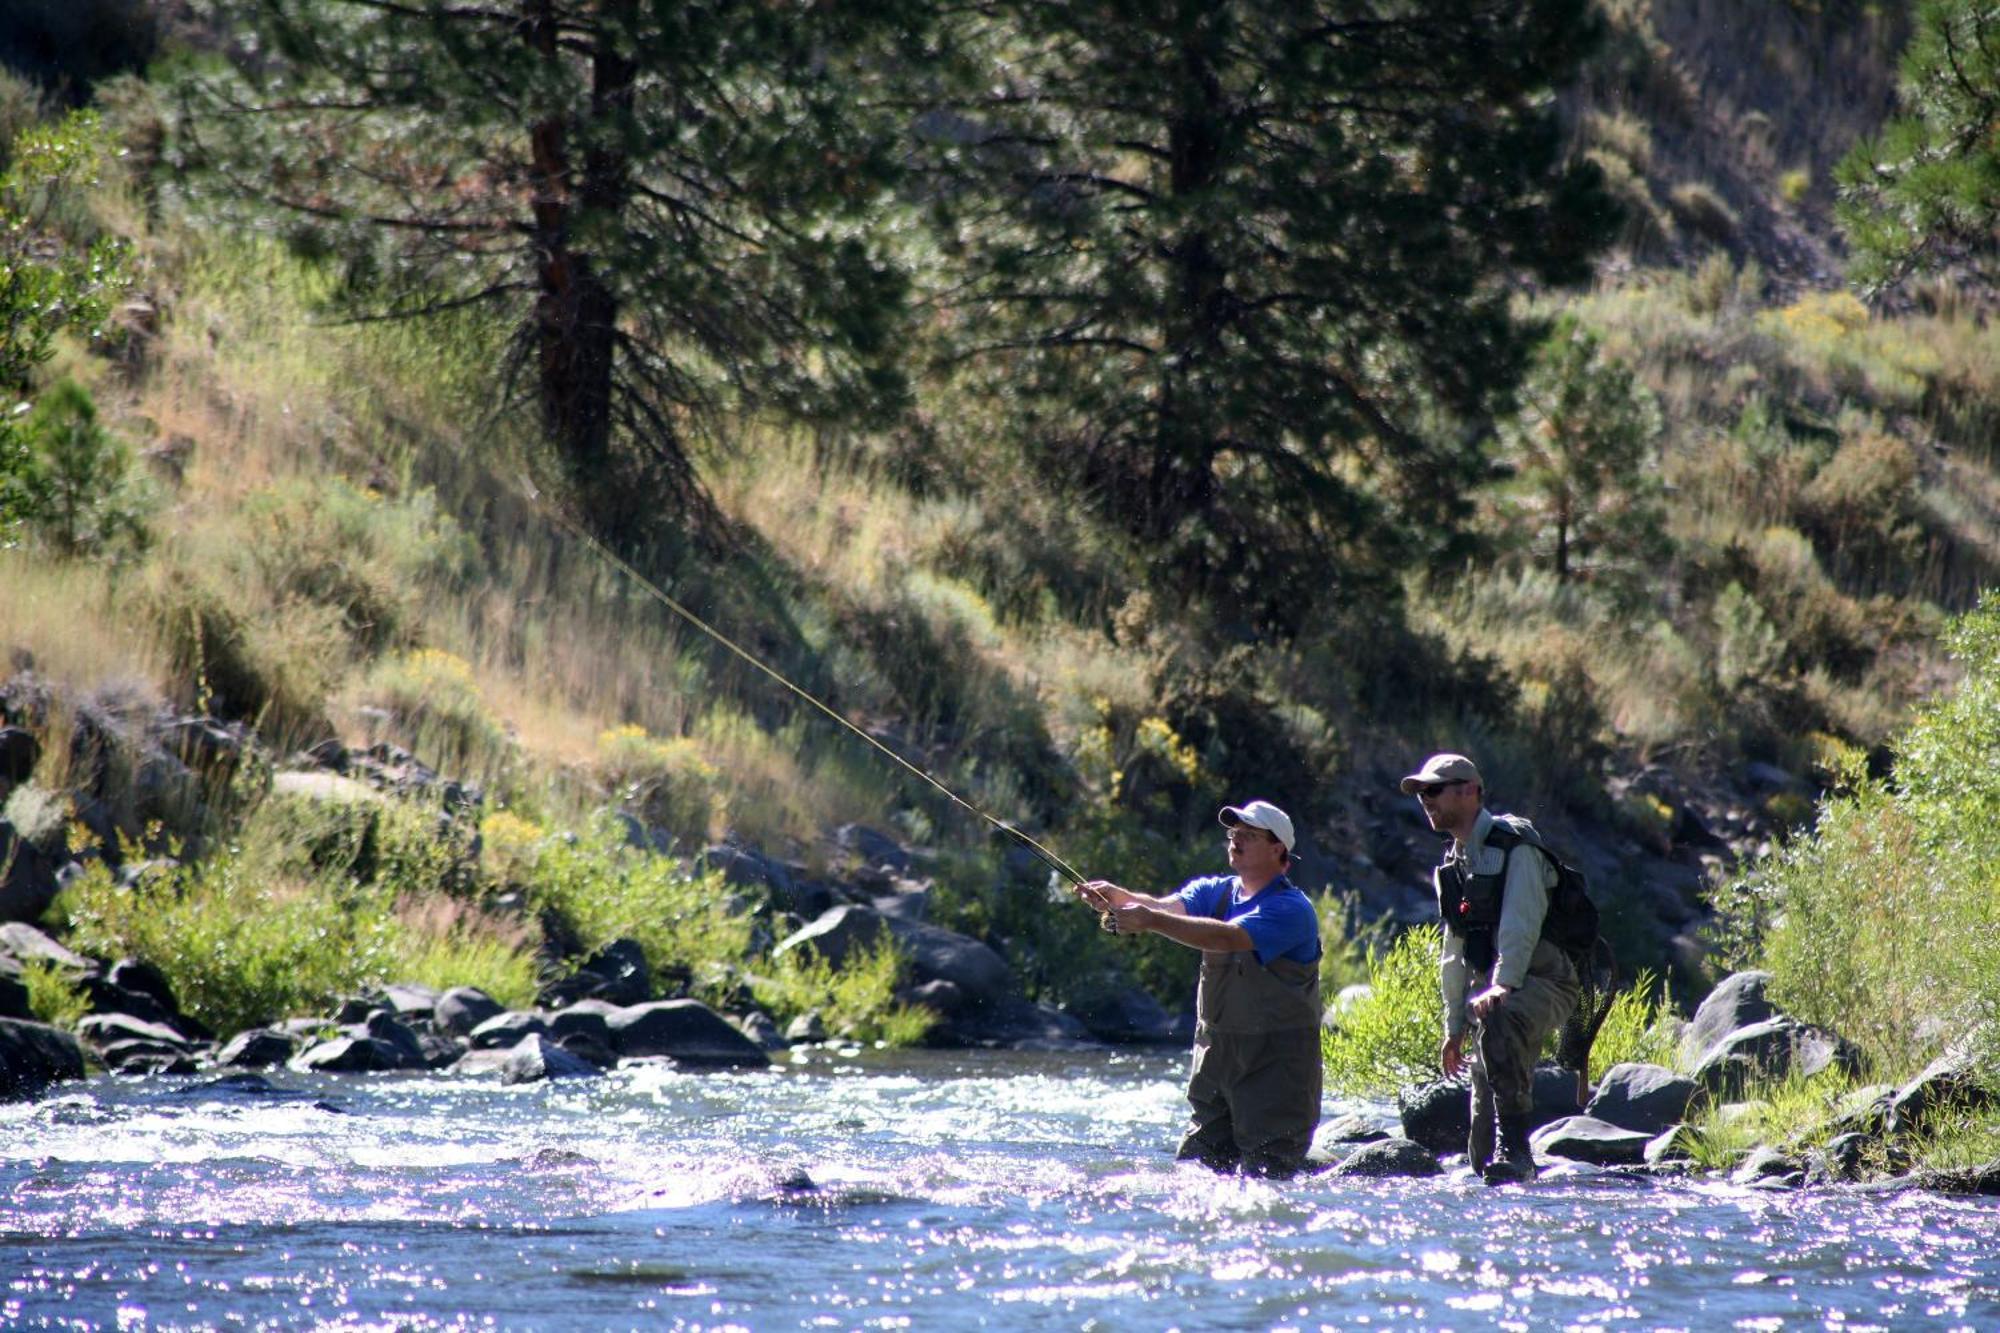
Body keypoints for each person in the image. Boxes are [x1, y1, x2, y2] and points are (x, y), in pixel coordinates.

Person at [1075, 800, 1322, 1177]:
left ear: (1278, 850)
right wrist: (1119, 898)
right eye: (1234, 833)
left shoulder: (1292, 909)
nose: (1236, 840)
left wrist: (1148, 921)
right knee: (1195, 1176)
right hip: (1215, 1066)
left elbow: (1228, 937)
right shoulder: (1215, 892)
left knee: (1268, 1182)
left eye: (1249, 835)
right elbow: (1162, 907)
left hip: (1276, 1071)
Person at [1401, 752, 1580, 1185]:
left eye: (1434, 790)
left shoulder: (1515, 846)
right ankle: (1503, 1163)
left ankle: (1518, 1154)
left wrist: (1502, 986)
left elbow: (1520, 924)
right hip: (1491, 995)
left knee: (1504, 1016)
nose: (1425, 799)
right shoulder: (1455, 863)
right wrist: (1454, 1025)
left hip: (1544, 981)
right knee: (1481, 1157)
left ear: (1469, 792)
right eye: (1421, 793)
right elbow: (1454, 950)